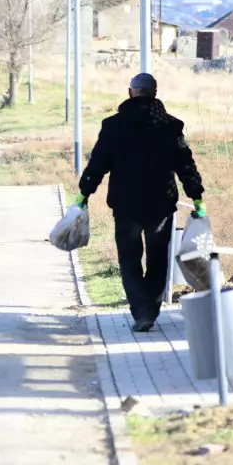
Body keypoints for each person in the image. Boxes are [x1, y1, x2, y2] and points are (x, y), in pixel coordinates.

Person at [77, 73, 206, 333]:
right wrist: (196, 196)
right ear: (155, 93)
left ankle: (142, 311)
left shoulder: (114, 125)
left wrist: (84, 194)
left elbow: (98, 162)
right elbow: (185, 164)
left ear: (130, 93)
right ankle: (151, 309)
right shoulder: (170, 125)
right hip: (161, 204)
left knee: (129, 258)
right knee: (158, 259)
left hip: (126, 205)